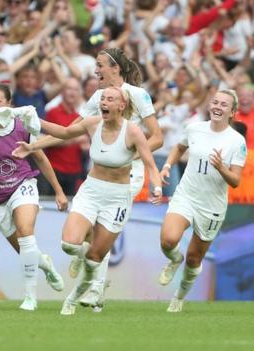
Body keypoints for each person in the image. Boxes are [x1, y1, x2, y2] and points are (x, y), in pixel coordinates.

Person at [14, 47, 163, 310]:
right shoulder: (98, 97)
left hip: (129, 172)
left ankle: (95, 287)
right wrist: (35, 145)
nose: (95, 71)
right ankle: (91, 275)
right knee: (89, 235)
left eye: (100, 65)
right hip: (100, 171)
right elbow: (70, 131)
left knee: (101, 231)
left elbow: (157, 137)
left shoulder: (138, 95)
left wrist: (130, 154)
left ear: (115, 68)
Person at [0, 83, 68, 311]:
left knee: (25, 232)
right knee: (25, 249)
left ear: (9, 104)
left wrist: (58, 190)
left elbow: (40, 158)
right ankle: (46, 265)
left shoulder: (23, 126)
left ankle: (30, 297)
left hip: (23, 184)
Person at [158, 90, 247, 313]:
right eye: (215, 102)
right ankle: (173, 259)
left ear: (232, 112)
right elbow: (179, 147)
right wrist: (168, 166)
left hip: (212, 206)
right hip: (187, 195)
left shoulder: (237, 141)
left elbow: (235, 180)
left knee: (194, 257)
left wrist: (221, 168)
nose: (217, 106)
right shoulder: (195, 128)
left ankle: (179, 297)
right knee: (168, 240)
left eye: (223, 104)